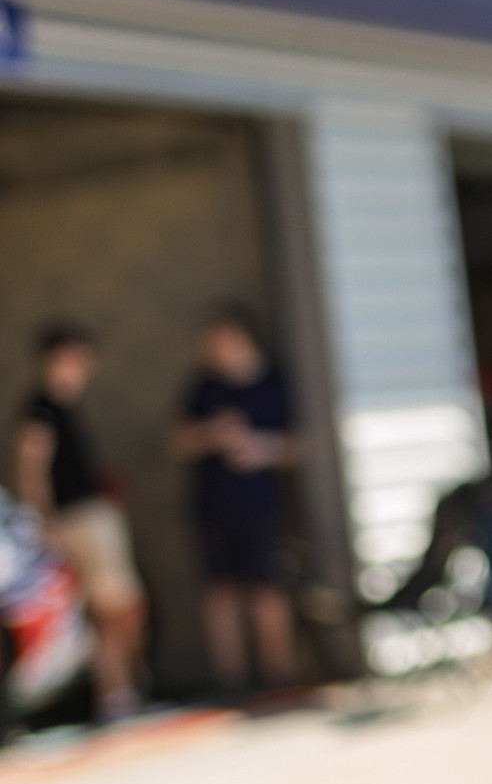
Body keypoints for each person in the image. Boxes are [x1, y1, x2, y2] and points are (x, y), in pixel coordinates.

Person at [13, 322, 146, 723]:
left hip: (91, 514)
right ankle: (117, 691)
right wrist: (42, 520)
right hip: (77, 520)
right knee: (115, 607)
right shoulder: (40, 409)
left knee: (111, 611)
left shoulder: (69, 407)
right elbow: (31, 467)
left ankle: (119, 691)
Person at [170, 305, 299, 693]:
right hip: (213, 506)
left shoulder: (272, 383)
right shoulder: (204, 387)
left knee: (266, 590)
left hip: (259, 505)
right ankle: (233, 684)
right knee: (221, 593)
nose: (213, 349)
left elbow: (299, 444)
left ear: (241, 338)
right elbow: (176, 442)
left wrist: (261, 448)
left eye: (220, 341)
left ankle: (277, 680)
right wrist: (211, 433)